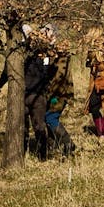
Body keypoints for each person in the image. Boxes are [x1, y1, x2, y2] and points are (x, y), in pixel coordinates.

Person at [0, 24, 53, 160]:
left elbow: (7, 70)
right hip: (37, 94)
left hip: (23, 94)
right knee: (39, 125)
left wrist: (0, 84)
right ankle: (42, 155)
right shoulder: (40, 51)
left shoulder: (16, 52)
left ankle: (22, 153)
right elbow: (47, 73)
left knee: (22, 126)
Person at [41, 24, 76, 157]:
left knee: (51, 117)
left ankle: (67, 142)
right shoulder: (51, 52)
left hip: (58, 93)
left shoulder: (60, 54)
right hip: (55, 92)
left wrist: (50, 93)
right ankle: (53, 145)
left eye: (46, 32)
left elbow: (58, 76)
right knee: (48, 117)